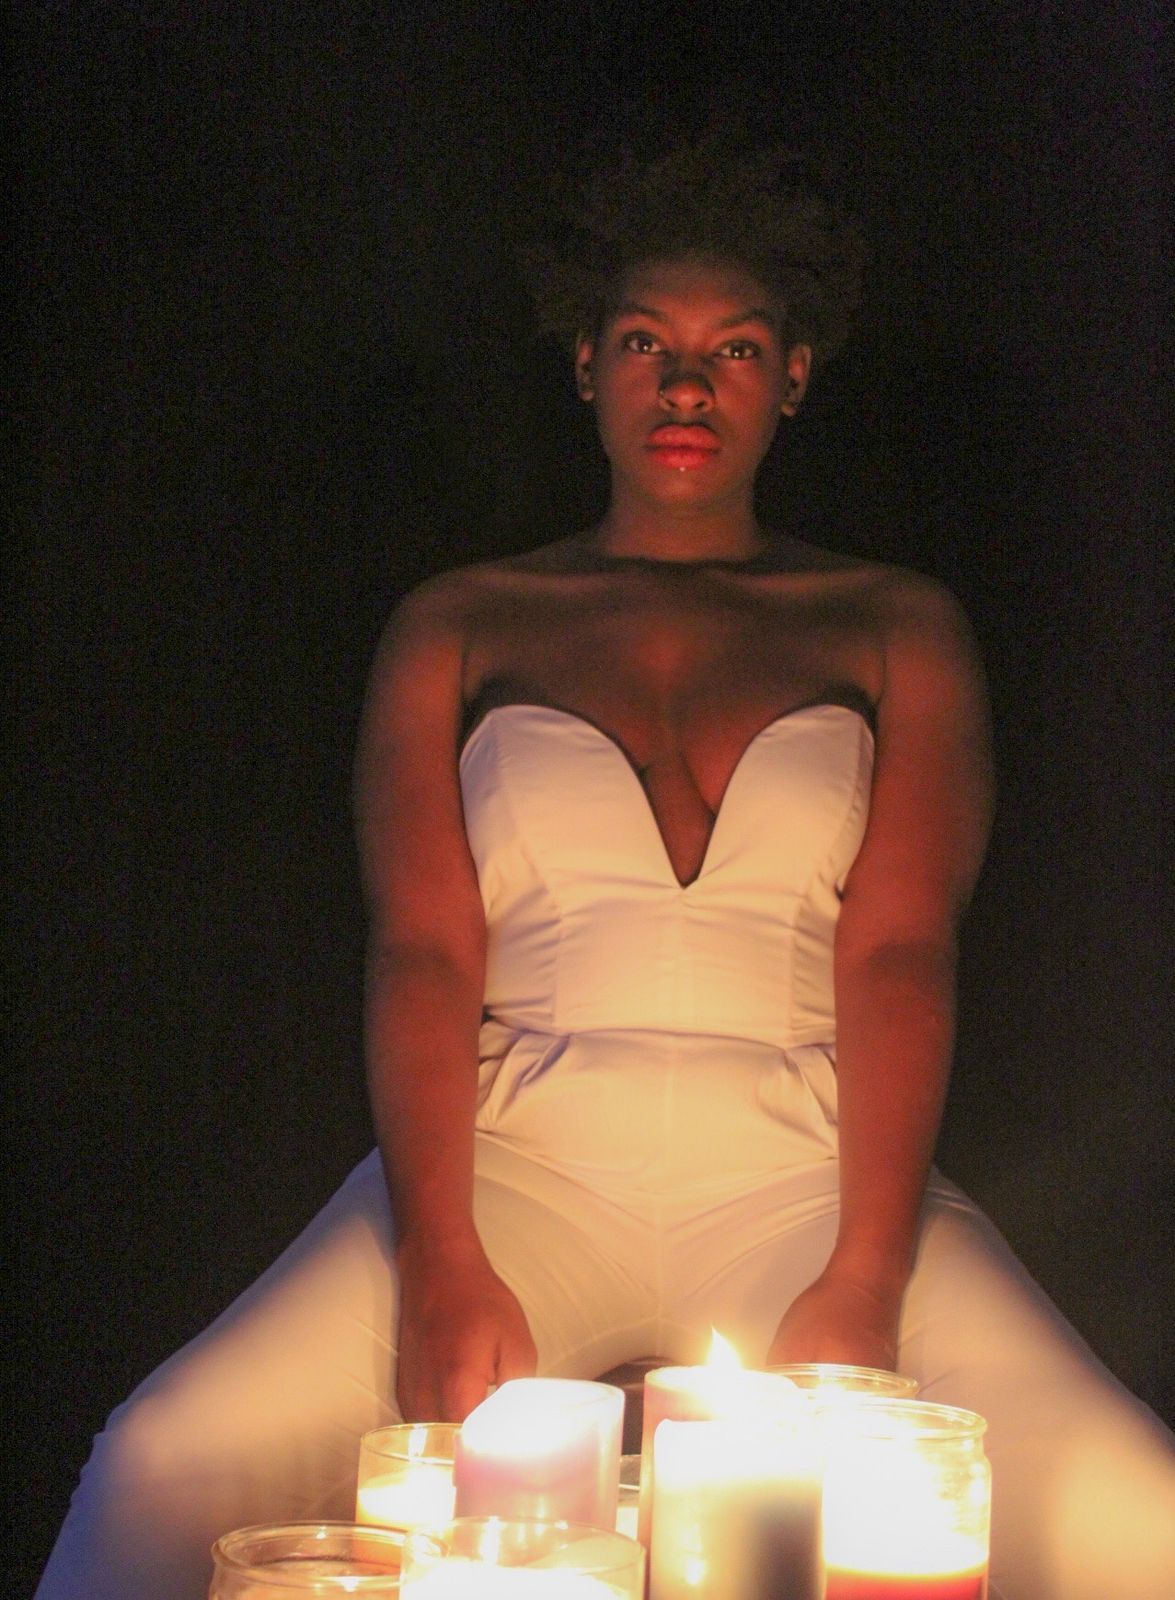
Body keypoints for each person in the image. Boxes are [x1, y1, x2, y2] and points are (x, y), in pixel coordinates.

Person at [37, 141, 1174, 1600]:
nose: (687, 388)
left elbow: (901, 950)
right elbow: (425, 950)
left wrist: (865, 1273)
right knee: (160, 1462)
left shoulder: (896, 624)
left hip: (806, 1173)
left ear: (795, 376)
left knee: (1138, 1509)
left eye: (734, 350)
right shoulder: (458, 621)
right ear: (586, 364)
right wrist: (439, 1254)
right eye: (646, 343)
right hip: (516, 1164)